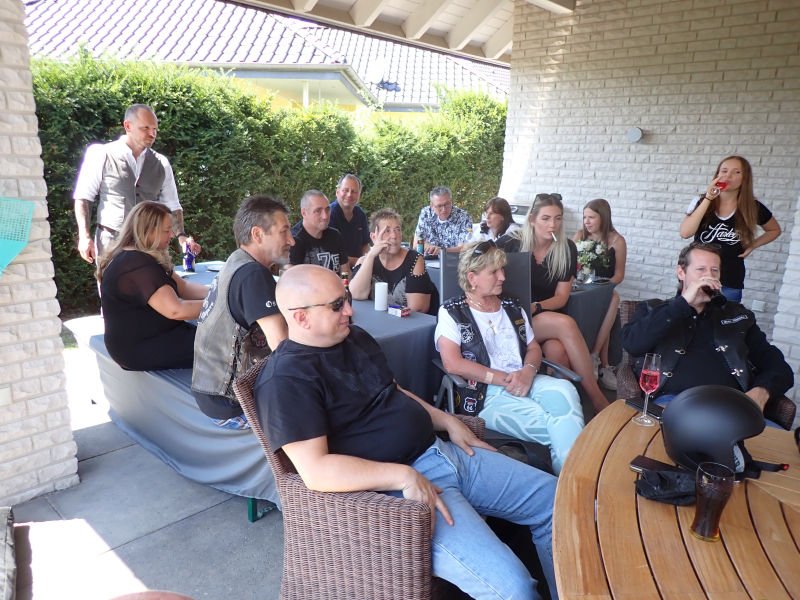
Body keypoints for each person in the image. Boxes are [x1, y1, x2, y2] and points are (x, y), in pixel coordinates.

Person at [256, 264, 559, 600]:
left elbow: (393, 391)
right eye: (337, 305)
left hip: (445, 454)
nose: (350, 310)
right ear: (301, 318)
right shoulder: (286, 380)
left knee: (558, 503)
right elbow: (315, 471)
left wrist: (447, 421)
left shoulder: (355, 337)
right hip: (402, 495)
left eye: (347, 298)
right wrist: (403, 476)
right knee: (514, 589)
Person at [435, 241, 584, 474]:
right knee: (560, 424)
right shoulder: (452, 312)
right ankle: (575, 481)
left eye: (502, 269)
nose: (503, 277)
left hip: (526, 378)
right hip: (485, 393)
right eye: (494, 272)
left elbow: (533, 347)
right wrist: (504, 379)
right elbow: (452, 363)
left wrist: (528, 372)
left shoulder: (512, 306)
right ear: (472, 278)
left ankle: (568, 482)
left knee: (565, 390)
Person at [622, 242, 793, 413]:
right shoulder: (653, 309)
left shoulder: (738, 316)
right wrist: (681, 304)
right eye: (701, 270)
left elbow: (779, 367)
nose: (709, 276)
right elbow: (632, 344)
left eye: (714, 270)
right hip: (673, 404)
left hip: (732, 407)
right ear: (681, 272)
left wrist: (761, 392)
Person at [500, 193, 610, 413]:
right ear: (532, 219)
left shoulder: (566, 248)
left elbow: (561, 297)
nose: (553, 224)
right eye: (546, 218)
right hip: (511, 316)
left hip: (542, 314)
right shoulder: (512, 243)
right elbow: (478, 260)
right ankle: (596, 398)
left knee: (557, 350)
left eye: (558, 218)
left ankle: (561, 408)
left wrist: (537, 306)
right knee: (565, 324)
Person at [191, 195, 294, 429]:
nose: (292, 240)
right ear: (258, 234)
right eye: (284, 231)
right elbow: (283, 346)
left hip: (209, 392)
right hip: (232, 403)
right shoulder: (253, 274)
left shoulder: (236, 261)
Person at [73, 103, 201, 264]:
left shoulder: (162, 163)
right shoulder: (102, 154)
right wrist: (84, 236)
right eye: (145, 128)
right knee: (113, 281)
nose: (152, 134)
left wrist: (182, 237)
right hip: (111, 243)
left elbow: (172, 204)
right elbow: (83, 197)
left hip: (151, 243)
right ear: (128, 126)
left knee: (154, 281)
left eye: (154, 129)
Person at [96, 201, 208, 371]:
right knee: (225, 343)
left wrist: (222, 291)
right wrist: (222, 304)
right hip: (141, 347)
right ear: (148, 230)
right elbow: (176, 310)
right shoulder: (135, 264)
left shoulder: (137, 256)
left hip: (155, 335)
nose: (172, 235)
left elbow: (183, 288)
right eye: (166, 230)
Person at [679, 155, 781, 303]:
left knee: (726, 317)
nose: (728, 176)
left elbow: (774, 230)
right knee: (688, 315)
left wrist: (752, 245)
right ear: (717, 174)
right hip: (697, 277)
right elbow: (685, 233)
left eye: (736, 172)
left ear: (745, 178)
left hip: (730, 279)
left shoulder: (753, 207)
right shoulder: (701, 201)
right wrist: (708, 198)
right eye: (724, 171)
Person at [573, 198, 627, 391]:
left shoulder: (617, 241)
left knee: (612, 298)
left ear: (603, 218)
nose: (586, 222)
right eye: (584, 217)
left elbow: (619, 275)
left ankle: (595, 357)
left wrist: (602, 287)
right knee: (611, 302)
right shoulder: (579, 236)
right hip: (580, 288)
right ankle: (601, 363)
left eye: (591, 217)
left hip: (603, 288)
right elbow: (569, 265)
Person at [350, 208, 434, 313]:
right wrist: (370, 256)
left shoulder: (415, 259)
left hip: (406, 322)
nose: (394, 236)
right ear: (374, 237)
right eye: (387, 231)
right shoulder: (365, 261)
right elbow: (356, 294)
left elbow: (417, 309)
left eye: (397, 229)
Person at [289, 190, 350, 275]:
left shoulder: (335, 236)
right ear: (304, 213)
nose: (325, 216)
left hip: (337, 283)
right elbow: (291, 278)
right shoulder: (294, 240)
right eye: (318, 211)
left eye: (327, 209)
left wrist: (345, 283)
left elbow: (345, 272)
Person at [413, 186, 473, 255]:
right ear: (432, 205)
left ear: (451, 201)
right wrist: (431, 248)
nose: (444, 209)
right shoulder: (426, 213)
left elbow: (465, 248)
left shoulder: (463, 217)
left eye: (447, 204)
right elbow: (416, 244)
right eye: (439, 206)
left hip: (453, 260)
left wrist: (442, 251)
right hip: (429, 259)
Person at [329, 174, 370, 269]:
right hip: (335, 270)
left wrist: (368, 258)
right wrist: (361, 261)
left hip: (358, 267)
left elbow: (365, 244)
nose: (349, 195)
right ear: (337, 192)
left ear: (359, 195)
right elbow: (331, 254)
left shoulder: (360, 214)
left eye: (354, 191)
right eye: (345, 190)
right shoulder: (328, 215)